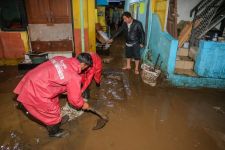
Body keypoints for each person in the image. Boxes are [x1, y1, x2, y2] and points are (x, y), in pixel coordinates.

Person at [14, 53, 93, 138]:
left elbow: (57, 75)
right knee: (52, 112)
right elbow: (74, 100)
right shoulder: (74, 77)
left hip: (31, 78)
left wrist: (66, 90)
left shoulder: (61, 58)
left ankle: (22, 104)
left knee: (55, 100)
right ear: (83, 64)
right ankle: (54, 132)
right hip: (37, 90)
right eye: (87, 67)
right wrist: (83, 104)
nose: (86, 69)